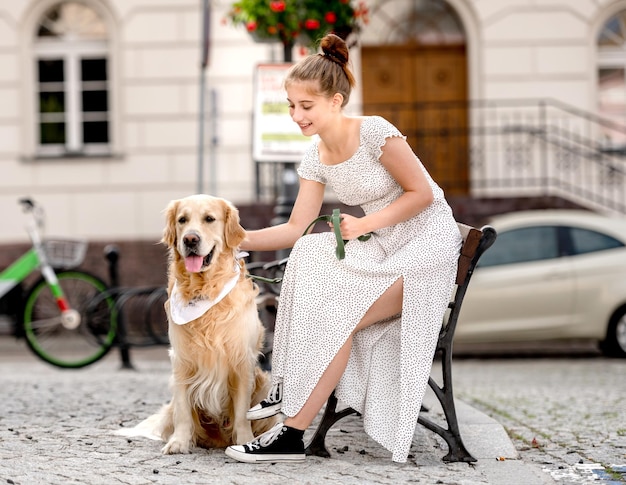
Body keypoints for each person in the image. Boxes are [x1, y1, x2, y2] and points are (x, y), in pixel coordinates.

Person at [225, 33, 462, 464]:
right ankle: (287, 387)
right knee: (311, 256)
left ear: (335, 101)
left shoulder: (374, 132)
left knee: (339, 315)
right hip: (387, 248)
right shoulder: (316, 156)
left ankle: (292, 433)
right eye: (291, 106)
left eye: (306, 106)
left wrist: (366, 224)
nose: (297, 115)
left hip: (428, 247)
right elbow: (296, 228)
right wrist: (235, 239)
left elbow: (422, 194)